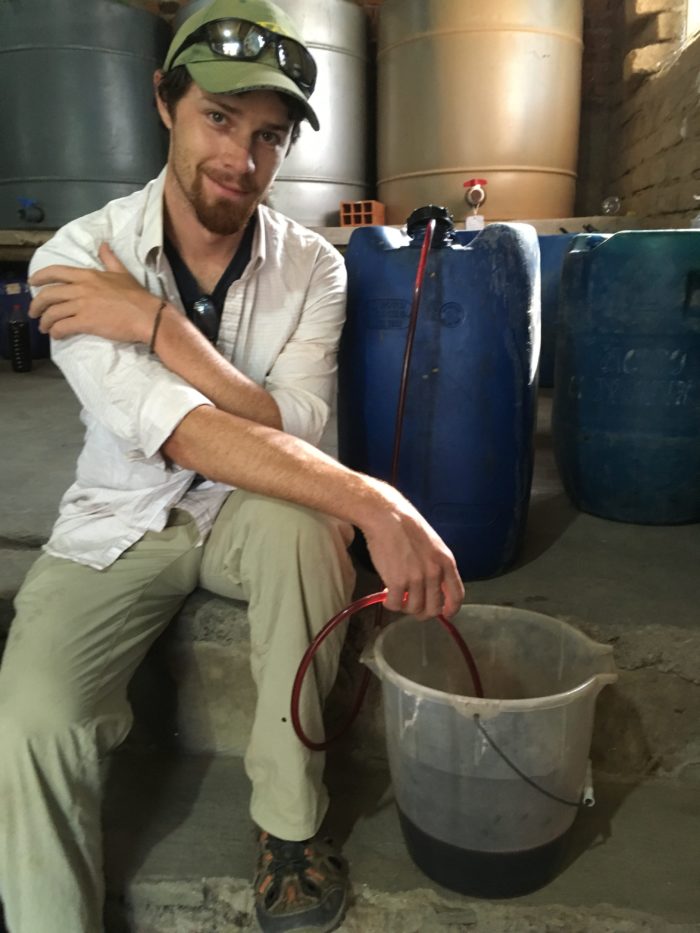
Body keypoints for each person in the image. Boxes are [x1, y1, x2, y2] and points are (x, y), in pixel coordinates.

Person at [0, 1, 464, 931]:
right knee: (35, 717)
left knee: (306, 523)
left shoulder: (314, 268)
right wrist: (377, 502)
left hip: (256, 506)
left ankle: (289, 826)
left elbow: (293, 425)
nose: (242, 159)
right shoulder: (78, 257)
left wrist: (157, 326)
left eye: (269, 136)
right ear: (163, 102)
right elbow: (175, 431)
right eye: (218, 118)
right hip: (124, 514)